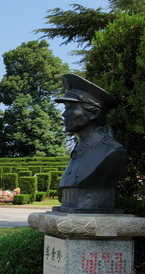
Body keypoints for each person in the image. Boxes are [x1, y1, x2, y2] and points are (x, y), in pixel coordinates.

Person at [53, 73, 128, 213]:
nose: (64, 114)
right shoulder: (78, 151)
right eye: (65, 108)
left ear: (93, 113)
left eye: (71, 107)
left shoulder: (111, 152)